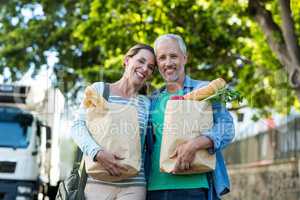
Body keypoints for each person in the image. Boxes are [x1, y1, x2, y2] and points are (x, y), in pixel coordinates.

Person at [146, 34, 235, 200]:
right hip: (154, 189)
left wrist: (194, 145)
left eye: (173, 56)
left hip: (194, 188)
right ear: (157, 64)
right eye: (162, 58)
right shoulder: (153, 100)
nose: (168, 63)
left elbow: (227, 127)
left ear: (185, 58)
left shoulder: (205, 90)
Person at [71, 44, 156, 200]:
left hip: (134, 186)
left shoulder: (147, 103)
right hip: (97, 182)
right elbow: (77, 126)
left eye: (150, 67)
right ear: (126, 60)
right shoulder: (100, 90)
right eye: (141, 61)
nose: (145, 69)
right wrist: (97, 152)